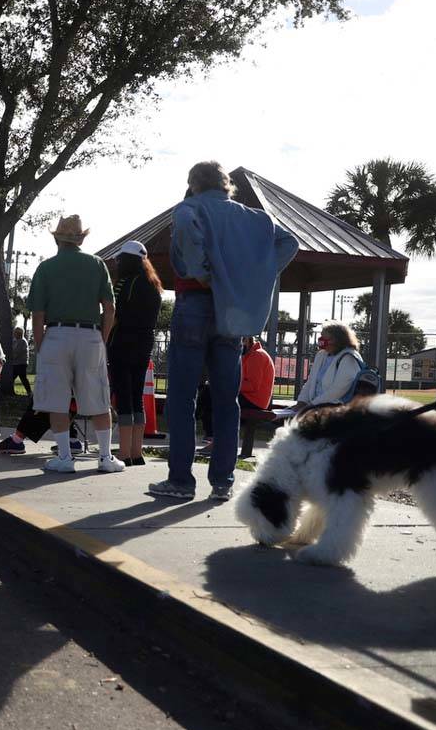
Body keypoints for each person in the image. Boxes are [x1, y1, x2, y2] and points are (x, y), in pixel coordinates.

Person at [149, 162, 299, 501]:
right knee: (226, 399)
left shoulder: (190, 207)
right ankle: (222, 482)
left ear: (194, 184)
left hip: (195, 303)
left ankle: (181, 480)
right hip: (232, 312)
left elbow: (187, 233)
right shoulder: (256, 218)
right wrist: (258, 274)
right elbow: (290, 242)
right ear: (226, 185)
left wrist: (202, 271)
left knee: (182, 397)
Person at [27, 214, 123, 474]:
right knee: (98, 396)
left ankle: (65, 458)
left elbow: (37, 314)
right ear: (81, 239)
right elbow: (110, 308)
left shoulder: (46, 268)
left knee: (56, 399)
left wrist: (40, 344)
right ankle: (105, 457)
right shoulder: (97, 264)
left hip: (56, 335)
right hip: (90, 335)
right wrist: (102, 338)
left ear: (57, 238)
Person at [107, 240, 163, 467]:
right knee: (137, 395)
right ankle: (136, 452)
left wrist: (103, 339)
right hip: (145, 341)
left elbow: (114, 314)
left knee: (123, 395)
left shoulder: (125, 283)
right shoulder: (154, 285)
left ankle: (123, 453)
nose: (118, 262)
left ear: (128, 260)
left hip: (123, 340)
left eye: (120, 259)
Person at [199, 335, 275, 451]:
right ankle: (212, 436)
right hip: (249, 397)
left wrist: (227, 385)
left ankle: (213, 437)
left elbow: (252, 386)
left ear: (247, 340)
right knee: (209, 391)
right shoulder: (248, 355)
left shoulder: (257, 355)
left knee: (211, 394)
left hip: (254, 400)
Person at [293, 322, 363, 410]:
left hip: (337, 410)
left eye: (325, 338)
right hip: (315, 408)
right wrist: (301, 402)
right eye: (321, 336)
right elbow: (310, 382)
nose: (321, 340)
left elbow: (338, 390)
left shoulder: (349, 357)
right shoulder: (321, 355)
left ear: (338, 339)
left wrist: (312, 405)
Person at [9, 327, 30, 395]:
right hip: (16, 363)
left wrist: (11, 358)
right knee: (12, 378)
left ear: (19, 333)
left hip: (21, 363)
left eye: (15, 332)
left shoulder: (22, 341)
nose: (14, 334)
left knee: (23, 378)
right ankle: (29, 392)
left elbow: (17, 352)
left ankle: (29, 392)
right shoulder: (15, 340)